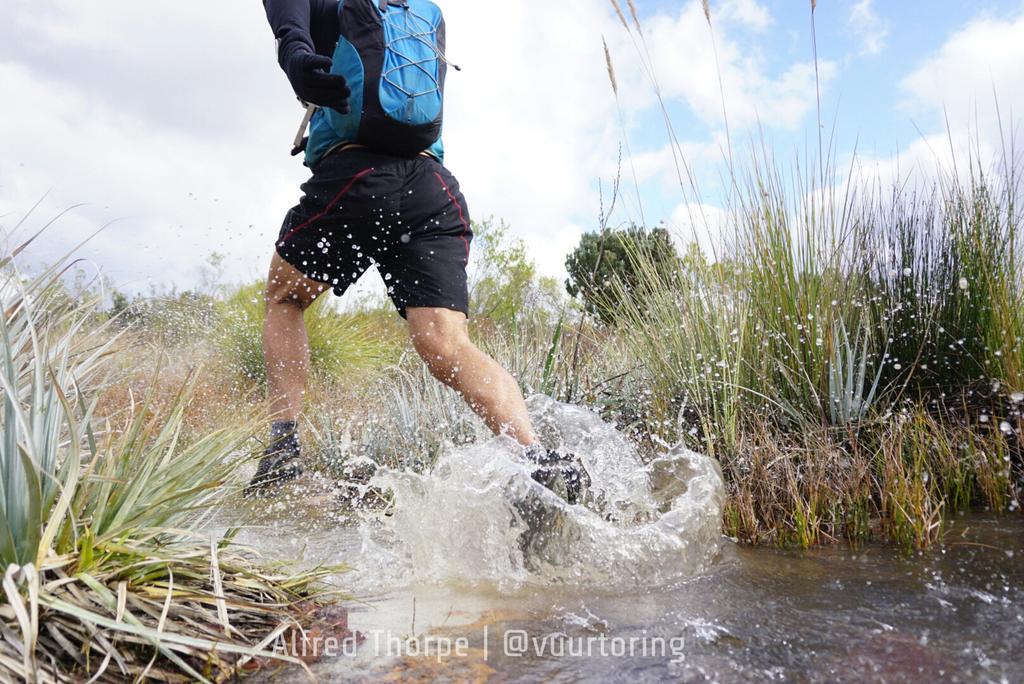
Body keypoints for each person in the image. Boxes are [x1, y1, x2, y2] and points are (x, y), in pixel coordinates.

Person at [248, 0, 588, 505]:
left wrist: (297, 54)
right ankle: (537, 459)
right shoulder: (418, 11)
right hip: (434, 190)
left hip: (356, 178)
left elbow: (288, 21)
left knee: (285, 297)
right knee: (447, 346)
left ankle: (282, 448)